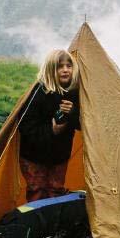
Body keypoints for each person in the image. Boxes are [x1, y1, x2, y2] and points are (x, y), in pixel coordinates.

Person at [18, 49, 80, 202]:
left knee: (56, 190)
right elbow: (26, 127)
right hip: (33, 156)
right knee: (36, 189)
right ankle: (36, 223)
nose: (65, 70)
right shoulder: (38, 94)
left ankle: (52, 224)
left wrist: (72, 113)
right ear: (50, 69)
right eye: (60, 66)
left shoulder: (75, 93)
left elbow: (83, 124)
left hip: (60, 155)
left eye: (69, 66)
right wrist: (52, 130)